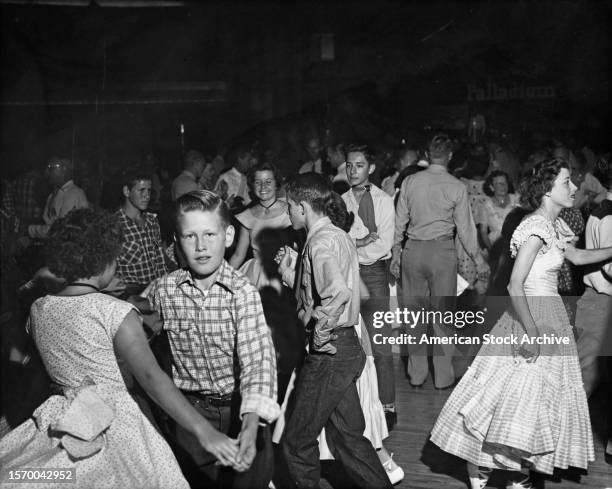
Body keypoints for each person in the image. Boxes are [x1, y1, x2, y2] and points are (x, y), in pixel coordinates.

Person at [0, 208, 240, 488]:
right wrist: (204, 431)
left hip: (63, 421)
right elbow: (152, 379)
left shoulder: (39, 308)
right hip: (114, 426)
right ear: (104, 260)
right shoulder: (114, 311)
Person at [430, 157, 612, 488]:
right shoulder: (537, 227)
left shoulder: (553, 224)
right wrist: (532, 331)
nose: (574, 188)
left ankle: (517, 472)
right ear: (547, 189)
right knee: (512, 396)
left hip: (550, 315)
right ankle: (485, 466)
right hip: (531, 317)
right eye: (566, 182)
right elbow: (516, 284)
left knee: (532, 400)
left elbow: (578, 257)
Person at [145, 190, 279, 489]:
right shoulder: (162, 291)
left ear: (228, 235)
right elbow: (133, 335)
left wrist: (250, 424)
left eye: (209, 234)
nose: (201, 246)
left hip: (241, 411)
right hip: (189, 417)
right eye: (190, 236)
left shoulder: (243, 293)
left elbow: (258, 359)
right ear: (176, 243)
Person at [279, 173, 392, 489]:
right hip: (346, 348)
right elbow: (328, 289)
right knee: (348, 438)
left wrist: (319, 334)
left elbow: (338, 292)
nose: (287, 213)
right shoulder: (338, 235)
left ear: (303, 206)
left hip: (330, 353)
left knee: (297, 442)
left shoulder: (319, 241)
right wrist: (292, 277)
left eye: (289, 206)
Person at [391, 133, 488, 389]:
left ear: (426, 154)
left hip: (412, 251)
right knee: (443, 317)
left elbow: (398, 221)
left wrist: (395, 253)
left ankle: (417, 374)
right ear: (450, 156)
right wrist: (479, 260)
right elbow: (466, 229)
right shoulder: (456, 186)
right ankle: (443, 377)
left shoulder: (411, 181)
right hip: (442, 253)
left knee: (413, 317)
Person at [341, 144, 397, 431]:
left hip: (374, 275)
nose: (353, 170)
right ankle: (357, 405)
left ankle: (387, 404)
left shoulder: (384, 201)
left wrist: (354, 245)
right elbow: (338, 241)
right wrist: (357, 243)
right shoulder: (339, 201)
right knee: (349, 342)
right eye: (349, 165)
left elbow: (382, 245)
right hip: (346, 274)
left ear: (371, 168)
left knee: (381, 343)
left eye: (359, 165)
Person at [229, 162, 291, 287]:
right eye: (258, 182)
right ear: (252, 185)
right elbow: (238, 255)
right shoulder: (248, 216)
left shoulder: (290, 211)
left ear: (276, 184)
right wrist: (221, 279)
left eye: (268, 182)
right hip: (257, 275)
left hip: (286, 272)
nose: (263, 187)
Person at [115, 169, 168, 296]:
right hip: (130, 296)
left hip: (157, 292)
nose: (147, 196)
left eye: (149, 191)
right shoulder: (114, 225)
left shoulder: (152, 221)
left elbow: (159, 260)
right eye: (141, 190)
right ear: (127, 191)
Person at [27, 157, 88, 239]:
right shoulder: (54, 194)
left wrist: (30, 230)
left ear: (63, 170)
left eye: (51, 168)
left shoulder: (73, 194)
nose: (46, 172)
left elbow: (60, 230)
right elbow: (49, 223)